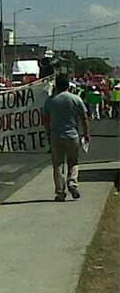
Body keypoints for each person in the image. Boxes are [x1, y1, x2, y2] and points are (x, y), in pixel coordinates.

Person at [42, 73, 91, 202]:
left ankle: (60, 192)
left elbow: (45, 119)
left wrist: (48, 132)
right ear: (68, 85)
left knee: (58, 165)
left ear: (56, 86)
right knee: (73, 162)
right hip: (72, 135)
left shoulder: (50, 100)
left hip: (55, 136)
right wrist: (86, 133)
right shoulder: (76, 99)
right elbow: (84, 118)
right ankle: (72, 183)